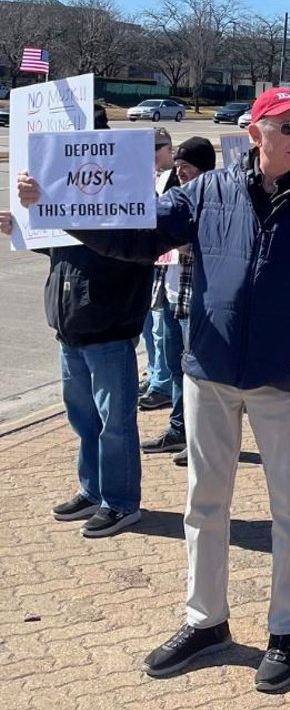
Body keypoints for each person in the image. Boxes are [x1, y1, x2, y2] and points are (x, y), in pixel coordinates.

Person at [16, 86, 290, 691]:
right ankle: (207, 621)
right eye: (286, 128)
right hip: (208, 370)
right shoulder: (209, 191)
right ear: (255, 133)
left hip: (282, 381)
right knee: (205, 502)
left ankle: (287, 631)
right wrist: (57, 209)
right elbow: (138, 236)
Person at [1, 190, 154, 540]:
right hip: (71, 329)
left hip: (108, 331)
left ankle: (121, 502)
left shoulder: (121, 205)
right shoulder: (68, 201)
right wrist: (21, 230)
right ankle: (93, 491)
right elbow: (61, 248)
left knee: (114, 423)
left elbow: (130, 252)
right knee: (84, 420)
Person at [140, 136, 217, 461]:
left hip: (196, 302)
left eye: (187, 167)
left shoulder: (215, 200)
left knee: (198, 375)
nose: (180, 172)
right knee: (174, 368)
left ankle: (201, 441)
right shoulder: (174, 197)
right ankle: (178, 429)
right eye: (179, 165)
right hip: (171, 296)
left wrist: (189, 246)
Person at [140, 127, 181, 411]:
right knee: (147, 328)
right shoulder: (144, 177)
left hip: (169, 265)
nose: (153, 154)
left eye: (158, 148)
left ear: (169, 148)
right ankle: (155, 373)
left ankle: (162, 384)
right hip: (146, 263)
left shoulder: (179, 179)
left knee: (160, 328)